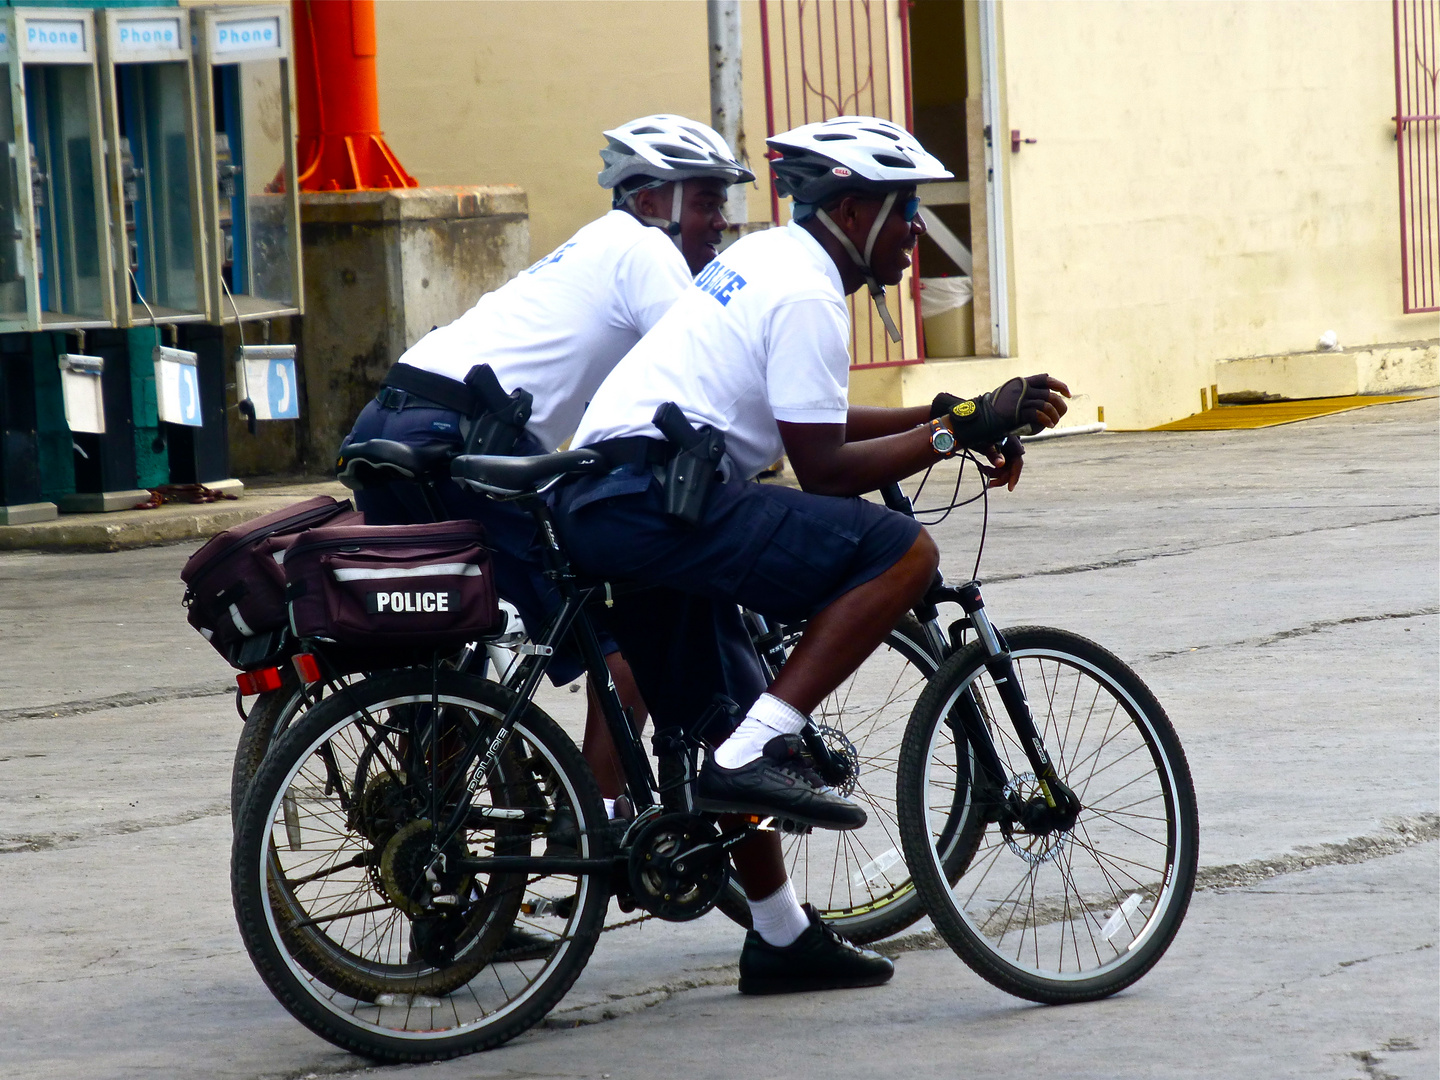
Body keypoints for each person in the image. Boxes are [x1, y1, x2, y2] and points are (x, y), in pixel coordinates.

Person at [555, 115, 1070, 993]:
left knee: (733, 707)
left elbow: (813, 424)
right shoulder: (805, 291)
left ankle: (782, 936)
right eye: (907, 210)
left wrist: (945, 415)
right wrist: (953, 435)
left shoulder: (770, 262)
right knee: (904, 552)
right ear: (859, 208)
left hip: (626, 502)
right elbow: (825, 470)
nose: (916, 230)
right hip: (657, 501)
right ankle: (753, 749)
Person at [340, 114, 754, 807]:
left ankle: (434, 828)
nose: (720, 222)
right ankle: (590, 819)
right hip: (464, 437)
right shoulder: (646, 252)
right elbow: (705, 369)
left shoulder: (597, 247)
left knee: (445, 650)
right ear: (651, 200)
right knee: (622, 646)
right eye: (707, 201)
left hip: (395, 421)